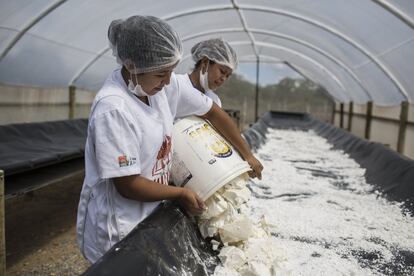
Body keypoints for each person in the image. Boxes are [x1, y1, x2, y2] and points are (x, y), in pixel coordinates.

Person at [76, 15, 263, 263]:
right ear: (132, 65)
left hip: (150, 214)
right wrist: (179, 193)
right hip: (119, 227)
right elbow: (128, 185)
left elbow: (213, 112)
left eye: (171, 72)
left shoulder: (162, 86)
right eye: (160, 74)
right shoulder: (114, 109)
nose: (166, 82)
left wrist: (247, 155)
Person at [186, 38, 237, 107]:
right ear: (205, 62)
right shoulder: (178, 85)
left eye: (227, 76)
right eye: (222, 71)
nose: (224, 79)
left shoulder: (215, 101)